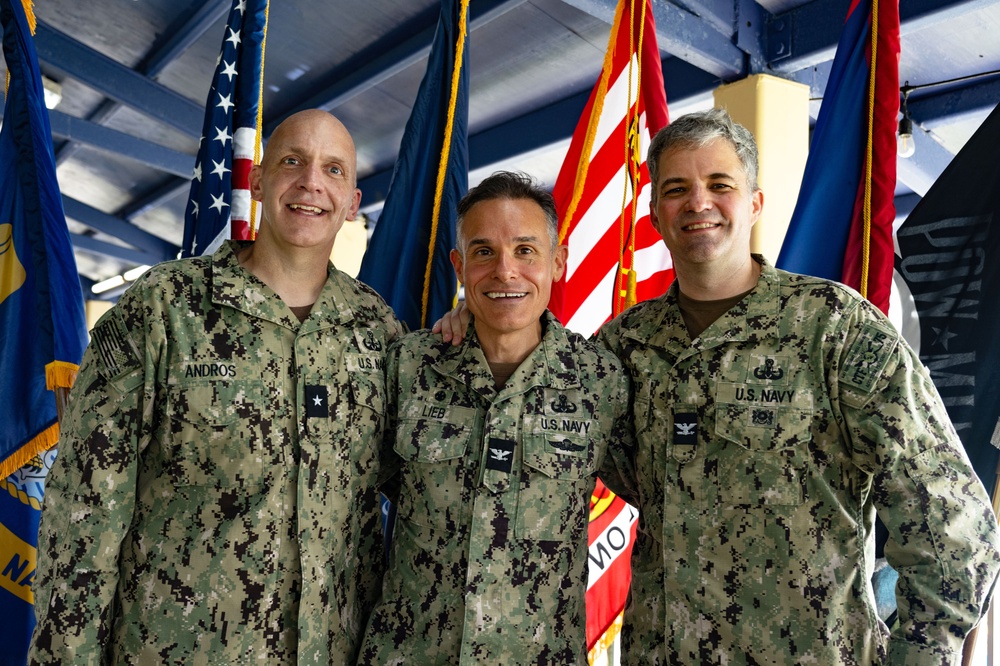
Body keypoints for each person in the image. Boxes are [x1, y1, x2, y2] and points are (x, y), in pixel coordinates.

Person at [594, 108, 1000, 664]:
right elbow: (538, 421)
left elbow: (951, 522)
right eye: (676, 188)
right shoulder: (622, 348)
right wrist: (479, 325)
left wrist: (919, 655)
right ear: (656, 215)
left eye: (720, 184)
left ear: (755, 202)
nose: (698, 203)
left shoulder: (834, 327)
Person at [29, 110, 402, 665]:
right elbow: (86, 507)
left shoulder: (377, 331)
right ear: (257, 180)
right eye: (292, 162)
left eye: (333, 170)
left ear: (352, 202)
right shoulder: (165, 307)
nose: (311, 184)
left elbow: (421, 483)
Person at [358, 171, 631, 664]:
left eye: (525, 250)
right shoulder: (409, 366)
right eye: (484, 252)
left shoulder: (601, 379)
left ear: (559, 261)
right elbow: (353, 489)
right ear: (459, 267)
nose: (506, 271)